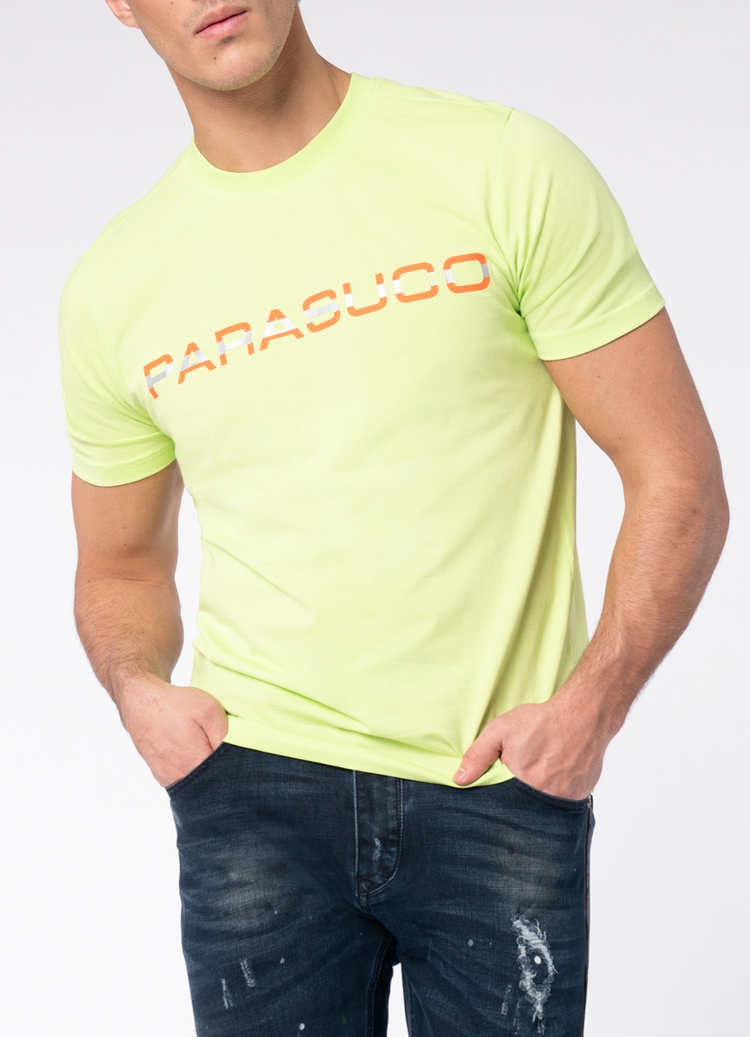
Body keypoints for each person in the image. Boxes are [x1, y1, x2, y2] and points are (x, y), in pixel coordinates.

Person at [58, 2, 729, 1034]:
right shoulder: (113, 286)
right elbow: (118, 564)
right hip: (254, 797)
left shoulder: (503, 166)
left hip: (497, 785)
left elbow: (677, 471)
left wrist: (590, 708)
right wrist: (138, 689)